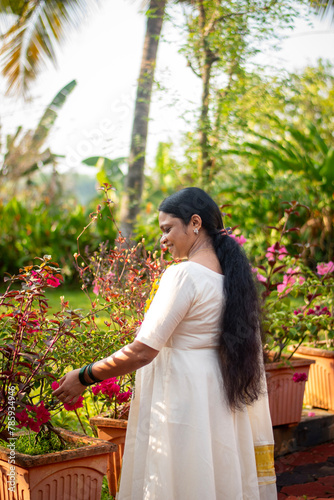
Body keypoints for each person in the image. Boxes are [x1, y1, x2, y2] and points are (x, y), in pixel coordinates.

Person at [53, 187, 277, 500]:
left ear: (195, 223)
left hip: (184, 394)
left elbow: (143, 350)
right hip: (216, 392)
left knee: (181, 478)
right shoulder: (230, 277)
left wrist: (85, 375)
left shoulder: (184, 275)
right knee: (210, 474)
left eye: (168, 228)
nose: (163, 239)